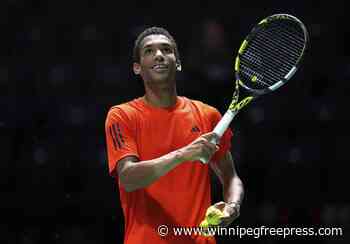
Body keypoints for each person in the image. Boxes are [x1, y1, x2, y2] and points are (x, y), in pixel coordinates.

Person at [105, 26, 244, 244]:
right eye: (149, 51)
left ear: (177, 63)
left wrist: (232, 206)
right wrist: (183, 154)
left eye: (166, 50)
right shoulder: (122, 116)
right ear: (137, 68)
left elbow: (230, 176)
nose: (159, 55)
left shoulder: (207, 115)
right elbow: (128, 178)